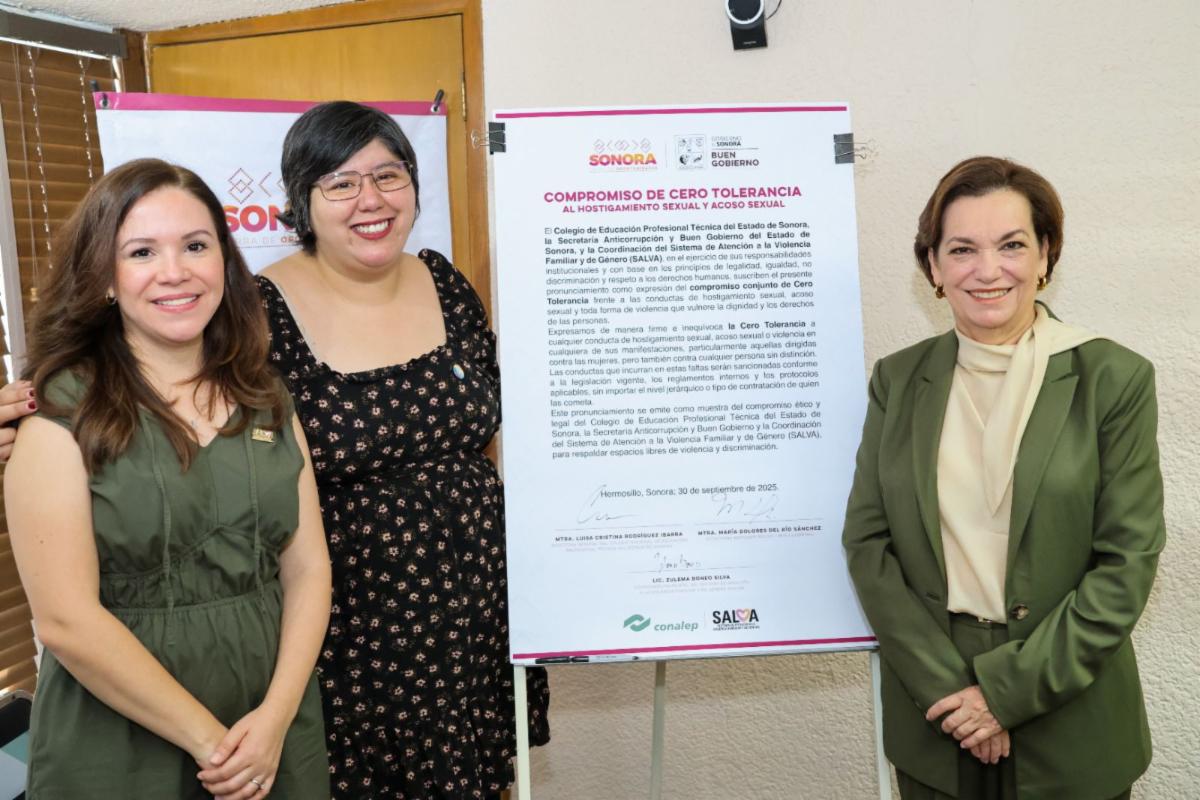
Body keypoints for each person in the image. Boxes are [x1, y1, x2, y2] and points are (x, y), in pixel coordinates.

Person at [4, 158, 332, 799]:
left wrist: (275, 720)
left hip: (269, 731)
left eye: (196, 246)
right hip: (121, 741)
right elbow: (65, 620)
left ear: (224, 263)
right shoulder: (59, 409)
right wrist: (215, 745)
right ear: (104, 275)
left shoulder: (267, 397)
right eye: (142, 252)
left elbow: (308, 570)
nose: (175, 271)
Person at [842, 156, 1164, 800]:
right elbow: (868, 545)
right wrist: (950, 694)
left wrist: (1002, 693)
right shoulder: (898, 380)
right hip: (936, 719)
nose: (987, 270)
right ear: (933, 267)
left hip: (1071, 714)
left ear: (1046, 255)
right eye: (962, 249)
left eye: (1012, 245)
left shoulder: (1113, 378)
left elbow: (1126, 562)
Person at [261, 101, 549, 799]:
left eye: (389, 176)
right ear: (303, 202)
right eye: (341, 183)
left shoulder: (444, 281)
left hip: (477, 611)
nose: (371, 200)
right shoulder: (257, 309)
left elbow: (500, 422)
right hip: (357, 629)